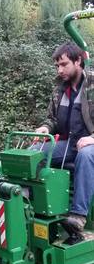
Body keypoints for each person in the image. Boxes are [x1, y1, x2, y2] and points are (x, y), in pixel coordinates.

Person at [36, 42, 94, 233]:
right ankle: (33, 207)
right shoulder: (60, 89)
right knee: (33, 154)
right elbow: (52, 118)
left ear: (78, 61)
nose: (60, 70)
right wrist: (45, 128)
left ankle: (78, 216)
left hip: (89, 145)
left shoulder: (92, 85)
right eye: (57, 66)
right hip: (69, 143)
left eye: (64, 64)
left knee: (85, 155)